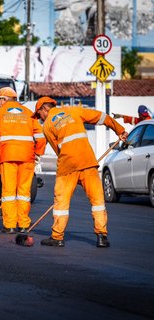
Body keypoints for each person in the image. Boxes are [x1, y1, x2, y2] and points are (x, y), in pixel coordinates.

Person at [33, 97, 128, 248]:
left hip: (67, 166)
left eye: (39, 116)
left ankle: (57, 237)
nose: (40, 119)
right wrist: (120, 130)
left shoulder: (47, 127)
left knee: (61, 203)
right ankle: (101, 236)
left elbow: (58, 151)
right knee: (97, 201)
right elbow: (103, 117)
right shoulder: (74, 111)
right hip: (87, 162)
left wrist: (71, 166)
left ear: (44, 109)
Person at [0, 87, 46, 234]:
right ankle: (23, 224)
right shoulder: (29, 113)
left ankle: (10, 225)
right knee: (24, 192)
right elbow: (40, 136)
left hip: (8, 156)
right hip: (27, 157)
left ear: (5, 100)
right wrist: (38, 153)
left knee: (9, 192)